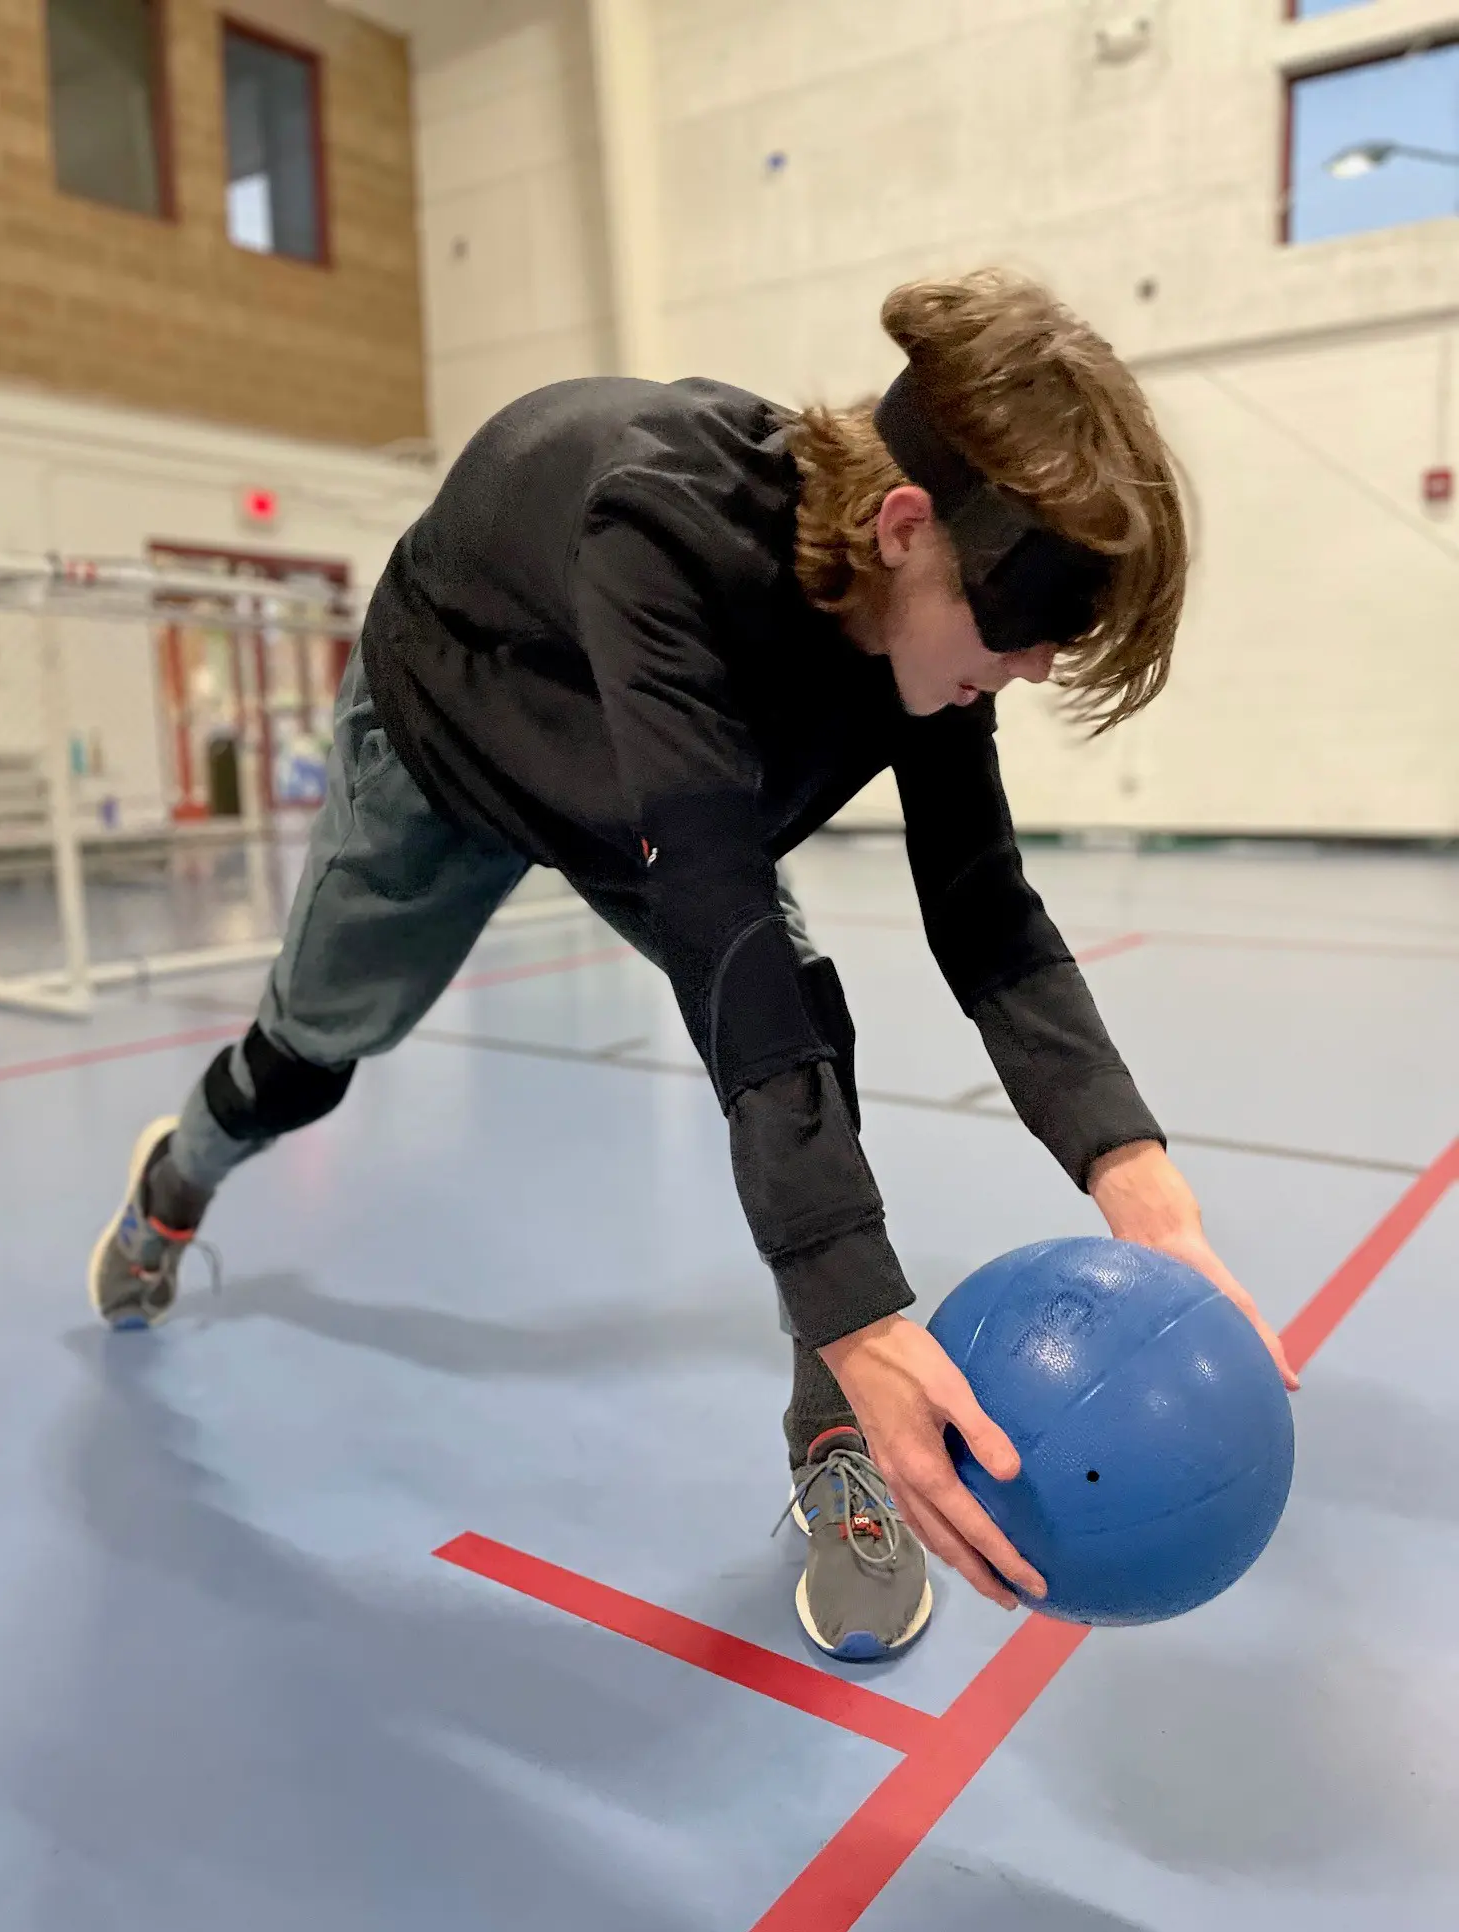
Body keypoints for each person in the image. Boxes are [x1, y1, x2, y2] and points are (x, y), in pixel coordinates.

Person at [90, 271, 1297, 1663]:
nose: (1023, 673)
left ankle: (835, 1444)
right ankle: (176, 1181)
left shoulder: (921, 627)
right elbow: (717, 911)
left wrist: (1131, 1172)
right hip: (453, 740)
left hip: (652, 802)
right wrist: (861, 1310)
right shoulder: (659, 527)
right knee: (307, 1058)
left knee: (812, 1038)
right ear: (907, 526)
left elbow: (981, 906)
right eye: (1018, 637)